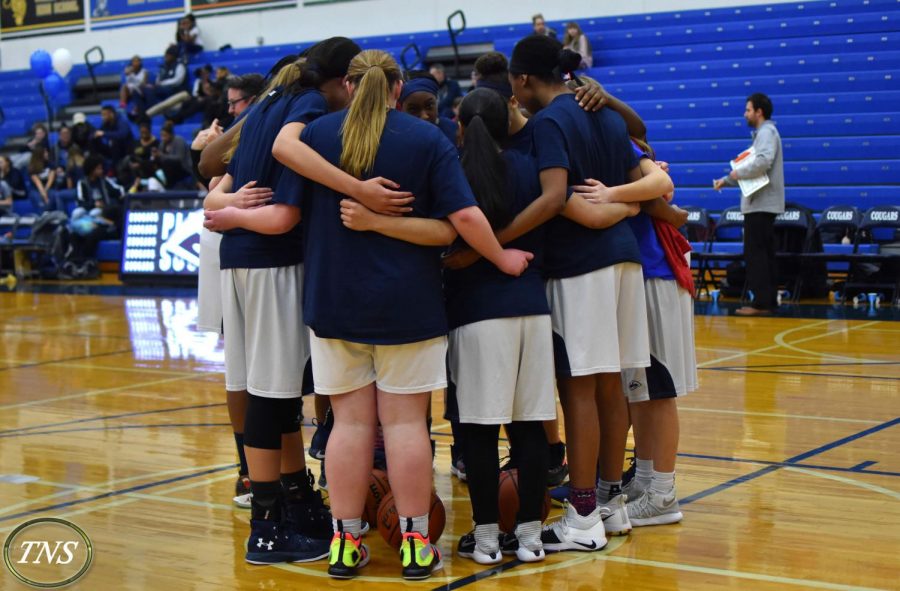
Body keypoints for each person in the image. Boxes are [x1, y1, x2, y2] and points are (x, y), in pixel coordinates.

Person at [269, 49, 532, 580]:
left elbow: (286, 207)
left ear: (347, 84)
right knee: (408, 424)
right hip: (407, 306)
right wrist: (501, 256)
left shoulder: (316, 136)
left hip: (333, 302)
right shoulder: (427, 139)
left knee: (348, 424)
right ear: (396, 88)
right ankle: (415, 543)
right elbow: (456, 221)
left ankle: (345, 544)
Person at [201, 38, 365, 567]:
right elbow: (283, 217)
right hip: (272, 263)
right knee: (273, 396)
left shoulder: (270, 100)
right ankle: (267, 527)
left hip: (239, 263)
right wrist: (239, 214)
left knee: (267, 391)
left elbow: (212, 194)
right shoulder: (309, 109)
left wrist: (227, 211)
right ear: (342, 82)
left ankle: (295, 495)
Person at [506, 34, 672, 552]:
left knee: (579, 387)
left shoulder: (550, 122)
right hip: (623, 259)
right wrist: (625, 209)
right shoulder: (603, 114)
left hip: (581, 264)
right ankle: (609, 504)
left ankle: (580, 514)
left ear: (525, 79)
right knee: (612, 386)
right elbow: (639, 183)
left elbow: (559, 200)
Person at [445, 88, 556, 564]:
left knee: (479, 433)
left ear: (461, 125)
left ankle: (487, 539)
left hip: (476, 315)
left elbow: (447, 250)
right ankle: (530, 537)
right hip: (531, 307)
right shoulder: (527, 167)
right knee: (530, 428)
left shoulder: (453, 171)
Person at [714, 93, 785, 316]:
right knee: (763, 253)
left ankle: (762, 303)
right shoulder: (764, 134)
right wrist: (727, 180)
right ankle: (768, 301)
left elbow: (762, 163)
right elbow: (754, 170)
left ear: (758, 112)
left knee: (756, 254)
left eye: (748, 110)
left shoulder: (766, 132)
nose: (745, 114)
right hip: (762, 204)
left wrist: (736, 172)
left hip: (761, 205)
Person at [397, 74, 458, 148]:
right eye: (413, 109)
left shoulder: (454, 131)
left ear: (437, 103)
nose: (424, 116)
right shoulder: (395, 137)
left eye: (429, 106)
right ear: (401, 109)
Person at [156, 122, 192, 188]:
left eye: (165, 136)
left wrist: (162, 156)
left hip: (183, 168)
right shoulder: (162, 144)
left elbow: (179, 158)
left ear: (171, 134)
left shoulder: (179, 140)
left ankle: (168, 186)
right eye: (162, 136)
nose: (163, 138)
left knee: (169, 164)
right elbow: (161, 158)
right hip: (169, 170)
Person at [27, 148, 55, 212]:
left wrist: (45, 191)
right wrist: (44, 195)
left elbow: (50, 180)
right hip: (36, 189)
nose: (47, 154)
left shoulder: (51, 164)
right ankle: (43, 214)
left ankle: (51, 213)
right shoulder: (32, 167)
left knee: (53, 194)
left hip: (48, 187)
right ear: (40, 154)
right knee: (37, 196)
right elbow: (38, 183)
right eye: (45, 153)